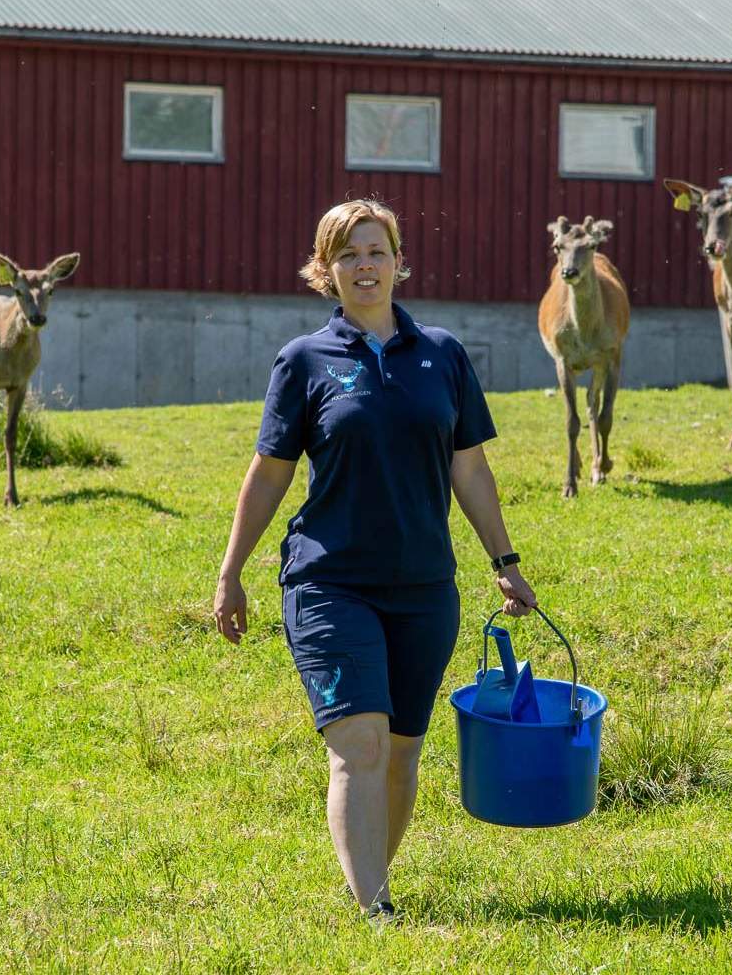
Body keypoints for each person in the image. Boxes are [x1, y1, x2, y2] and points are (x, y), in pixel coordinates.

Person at [211, 198, 537, 921]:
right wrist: (231, 572)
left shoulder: (442, 356)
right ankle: (376, 914)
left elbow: (471, 469)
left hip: (425, 587)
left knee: (399, 752)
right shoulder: (304, 362)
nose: (365, 266)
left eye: (376, 250)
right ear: (326, 270)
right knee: (357, 744)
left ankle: (368, 879)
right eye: (348, 254)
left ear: (398, 260)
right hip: (330, 584)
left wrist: (504, 559)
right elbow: (270, 473)